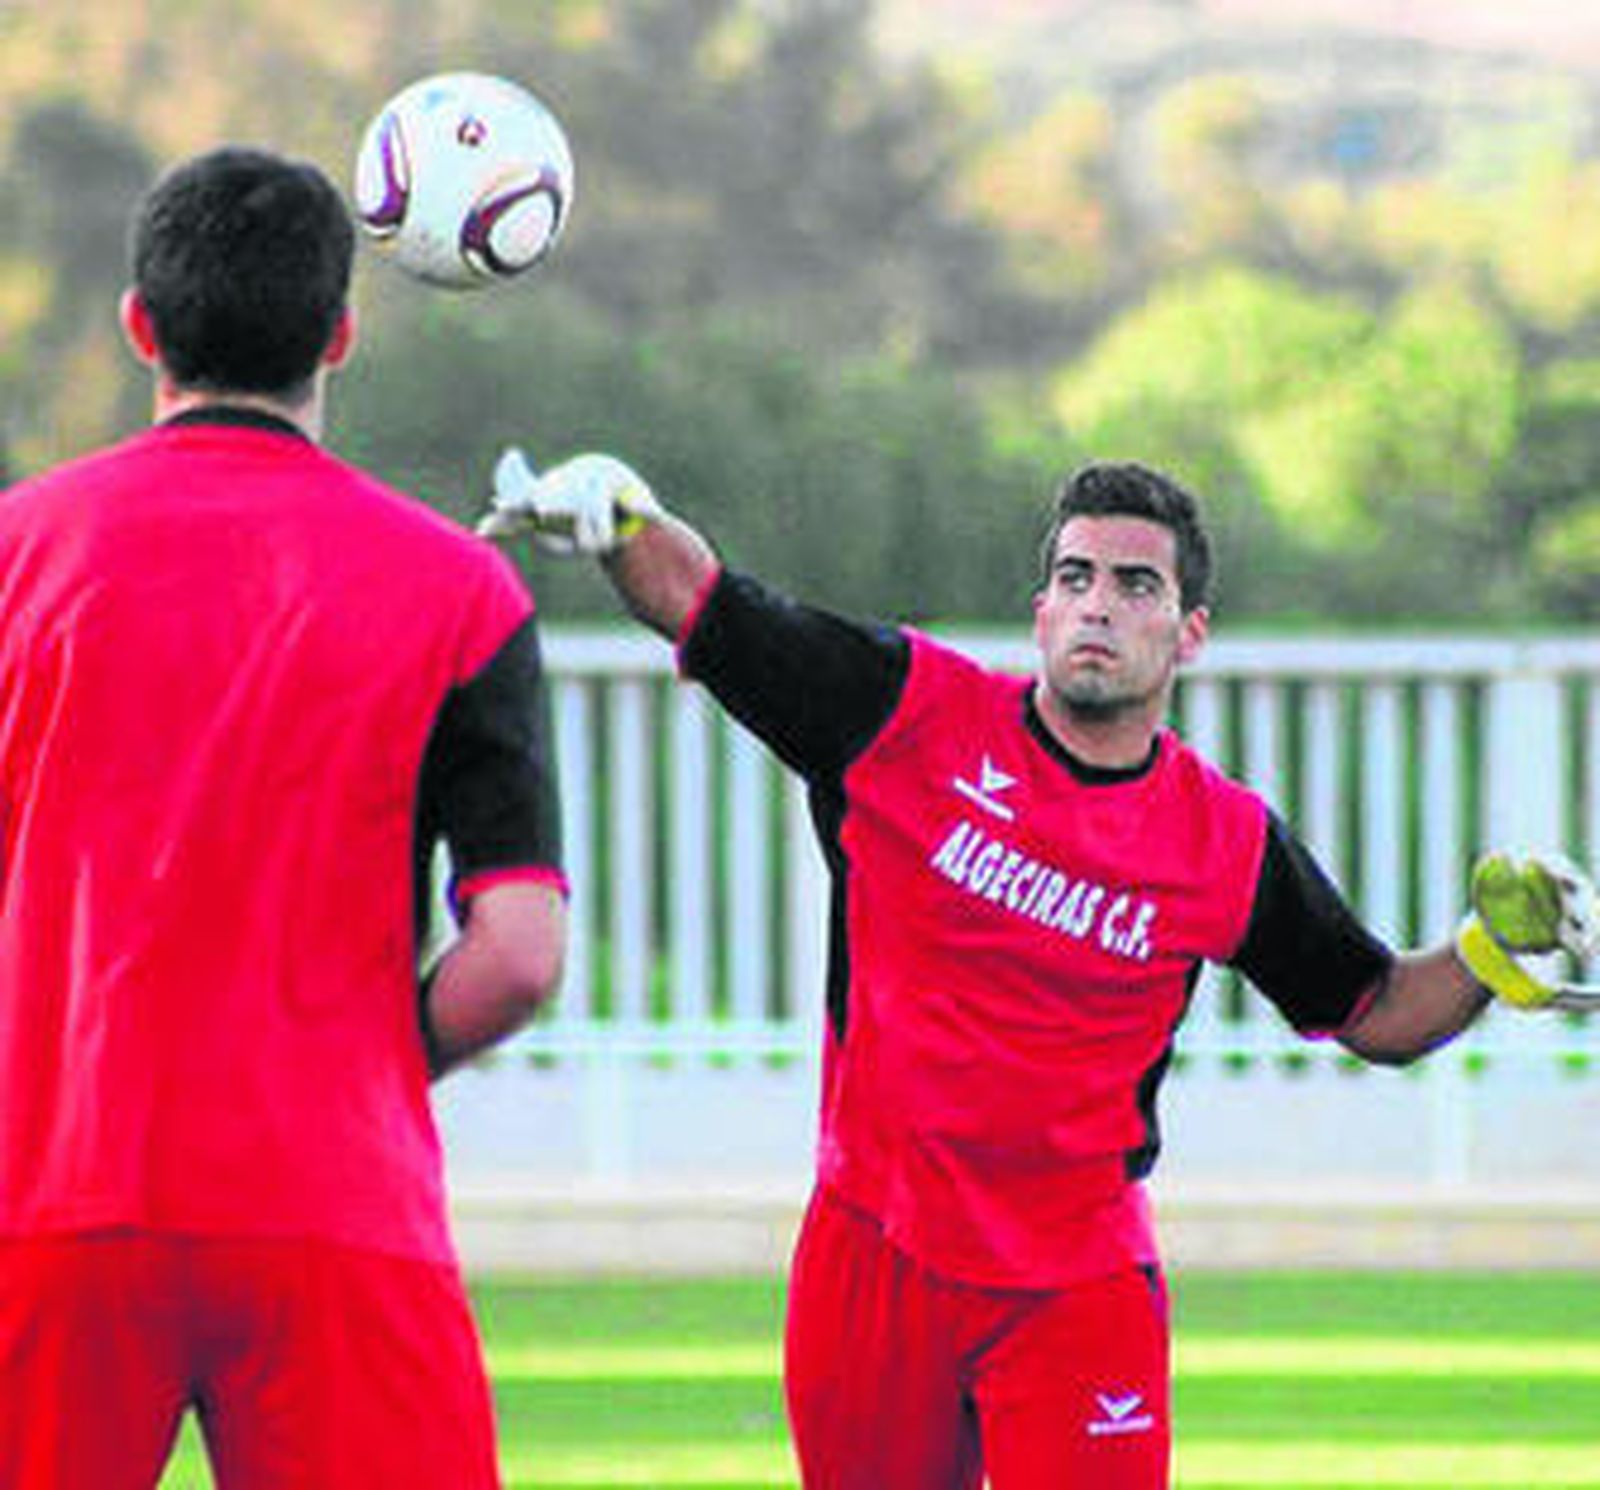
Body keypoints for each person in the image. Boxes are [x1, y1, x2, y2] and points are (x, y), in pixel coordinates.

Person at [480, 447, 1591, 1488]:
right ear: (1042, 612)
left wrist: (1491, 950)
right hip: (873, 1250)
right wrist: (620, 516)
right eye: (1076, 575)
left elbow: (1378, 1005)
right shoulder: (904, 710)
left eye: (1135, 584)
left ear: (1189, 632)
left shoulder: (1227, 841)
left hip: (1075, 1284)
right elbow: (710, 603)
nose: (1100, 600)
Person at [0, 148, 568, 1488]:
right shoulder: (460, 589)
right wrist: (362, 1059)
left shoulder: (17, 555)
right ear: (342, 333)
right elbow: (521, 954)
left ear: (142, 323)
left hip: (50, 1192)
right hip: (334, 1201)